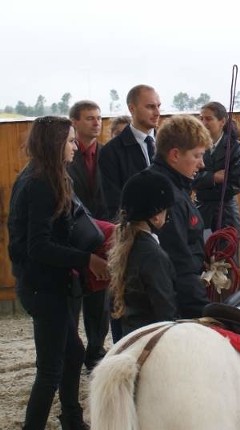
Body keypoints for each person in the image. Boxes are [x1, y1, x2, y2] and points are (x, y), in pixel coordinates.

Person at [8, 116, 108, 430]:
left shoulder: (49, 176)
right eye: (68, 141)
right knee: (50, 371)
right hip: (43, 287)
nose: (75, 146)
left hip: (54, 283)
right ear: (54, 145)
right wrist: (86, 259)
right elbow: (39, 246)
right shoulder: (39, 183)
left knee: (74, 353)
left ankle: (72, 420)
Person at [149, 114, 211, 318]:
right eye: (197, 156)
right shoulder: (167, 194)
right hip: (175, 301)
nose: (202, 164)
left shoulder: (174, 185)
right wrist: (204, 311)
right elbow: (178, 259)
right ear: (175, 155)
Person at [108, 170, 178, 336]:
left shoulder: (126, 247)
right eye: (165, 210)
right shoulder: (153, 255)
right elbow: (165, 310)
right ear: (155, 217)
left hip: (130, 335)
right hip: (151, 340)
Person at [67, 100, 110, 371]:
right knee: (71, 299)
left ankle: (95, 350)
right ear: (75, 123)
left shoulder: (108, 155)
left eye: (98, 118)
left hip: (104, 234)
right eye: (89, 118)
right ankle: (69, 350)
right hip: (73, 235)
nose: (96, 122)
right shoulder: (65, 158)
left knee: (100, 300)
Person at [99, 84, 161, 220]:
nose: (157, 112)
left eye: (158, 106)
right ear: (132, 108)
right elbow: (114, 203)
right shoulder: (111, 152)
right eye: (150, 107)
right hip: (135, 230)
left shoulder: (169, 144)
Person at [193, 101, 240, 239]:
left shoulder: (235, 147)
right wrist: (213, 177)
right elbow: (190, 179)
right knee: (203, 257)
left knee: (227, 258)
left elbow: (235, 185)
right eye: (201, 118)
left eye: (209, 119)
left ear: (222, 121)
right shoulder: (194, 146)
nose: (204, 122)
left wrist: (203, 183)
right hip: (201, 210)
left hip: (227, 213)